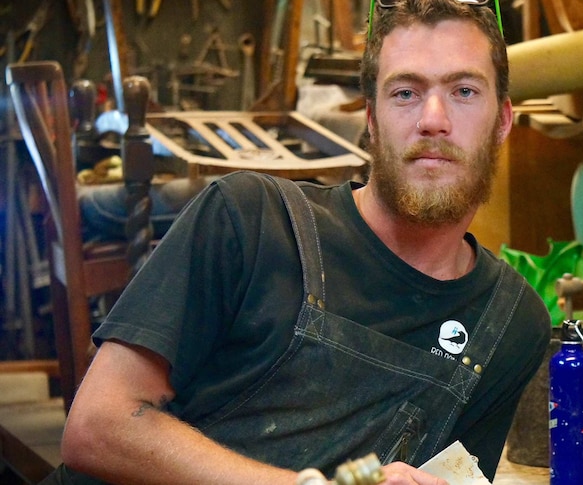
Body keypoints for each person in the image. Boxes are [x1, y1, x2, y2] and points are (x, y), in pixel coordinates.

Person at [50, 0, 551, 483]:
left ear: (502, 121)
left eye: (464, 91)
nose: (433, 118)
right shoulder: (251, 220)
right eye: (405, 92)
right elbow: (96, 428)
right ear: (372, 123)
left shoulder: (508, 325)